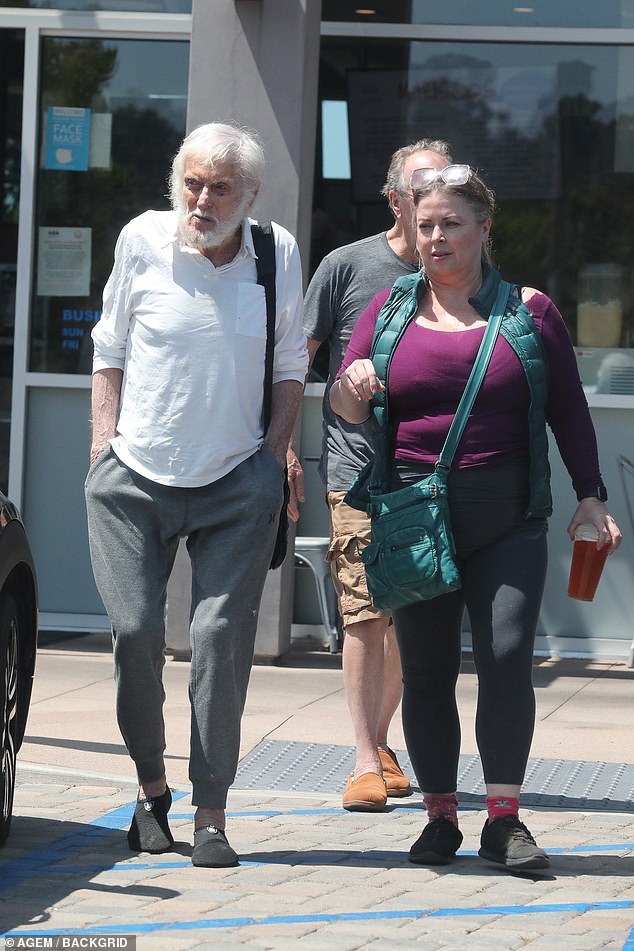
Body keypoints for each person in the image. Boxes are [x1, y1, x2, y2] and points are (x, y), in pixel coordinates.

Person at [330, 163, 622, 869]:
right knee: (427, 672)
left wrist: (590, 493)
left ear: (484, 228)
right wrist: (351, 386)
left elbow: (568, 411)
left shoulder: (529, 311)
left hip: (508, 521)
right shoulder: (391, 309)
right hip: (415, 525)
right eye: (425, 225)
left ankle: (503, 816)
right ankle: (439, 815)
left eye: (452, 224)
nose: (436, 237)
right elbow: (342, 402)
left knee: (506, 656)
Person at [85, 122, 307, 868]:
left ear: (250, 195)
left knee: (219, 641)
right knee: (135, 633)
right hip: (133, 480)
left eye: (219, 187)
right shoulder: (142, 239)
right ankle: (151, 795)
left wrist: (273, 455)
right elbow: (108, 346)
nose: (202, 198)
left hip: (236, 479)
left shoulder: (275, 252)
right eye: (192, 181)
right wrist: (101, 443)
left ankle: (210, 812)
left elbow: (288, 363)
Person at [289, 139, 452, 812]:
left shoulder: (462, 270)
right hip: (356, 472)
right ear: (395, 200)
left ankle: (380, 743)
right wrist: (282, 446)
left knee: (407, 620)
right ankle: (362, 758)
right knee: (363, 614)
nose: (438, 207)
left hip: (427, 478)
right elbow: (293, 362)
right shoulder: (346, 266)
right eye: (423, 192)